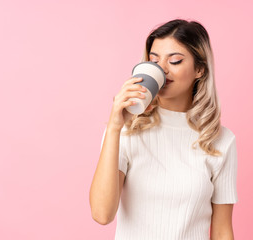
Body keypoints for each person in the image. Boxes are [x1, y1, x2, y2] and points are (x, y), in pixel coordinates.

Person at [89, 19, 239, 240]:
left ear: (199, 69)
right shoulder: (125, 130)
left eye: (175, 60)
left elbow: (222, 230)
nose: (163, 70)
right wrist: (114, 127)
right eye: (154, 60)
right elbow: (102, 214)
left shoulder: (220, 140)